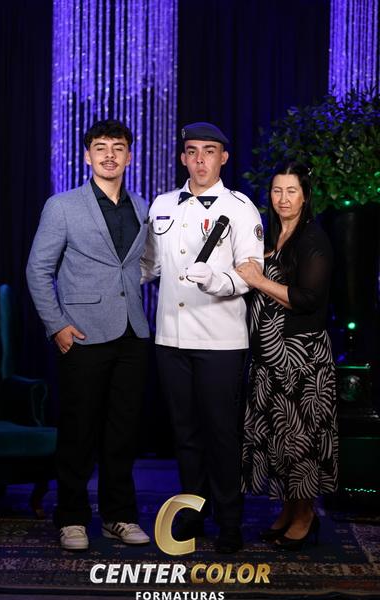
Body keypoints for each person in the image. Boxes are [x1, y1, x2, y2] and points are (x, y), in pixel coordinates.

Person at [26, 119, 150, 551]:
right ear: (87, 155)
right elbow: (38, 270)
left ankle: (119, 516)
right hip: (81, 334)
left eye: (118, 148)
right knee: (78, 432)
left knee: (123, 432)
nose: (109, 155)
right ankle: (72, 518)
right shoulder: (62, 206)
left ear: (129, 156)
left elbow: (140, 264)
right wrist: (57, 325)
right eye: (101, 147)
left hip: (133, 333)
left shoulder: (142, 206)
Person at [141, 122, 264, 553]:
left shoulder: (241, 208)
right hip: (170, 338)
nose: (200, 160)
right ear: (183, 158)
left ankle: (230, 523)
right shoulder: (162, 204)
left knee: (221, 435)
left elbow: (251, 272)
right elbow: (148, 265)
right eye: (192, 151)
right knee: (185, 435)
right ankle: (193, 516)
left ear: (223, 158)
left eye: (209, 151)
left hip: (220, 340)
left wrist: (217, 280)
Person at [236, 161, 338, 551]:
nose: (283, 199)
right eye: (277, 190)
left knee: (301, 440)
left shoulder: (314, 239)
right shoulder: (271, 235)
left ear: (305, 196)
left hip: (302, 360)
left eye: (291, 191)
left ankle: (305, 516)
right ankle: (288, 510)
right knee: (279, 440)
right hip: (270, 360)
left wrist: (258, 280)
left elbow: (308, 298)